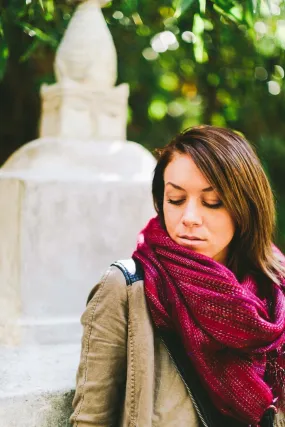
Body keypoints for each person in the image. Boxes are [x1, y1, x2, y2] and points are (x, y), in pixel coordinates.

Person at [70, 125, 285, 427]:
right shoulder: (126, 287)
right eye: (175, 199)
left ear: (246, 207)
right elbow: (90, 420)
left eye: (213, 202)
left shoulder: (275, 287)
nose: (189, 218)